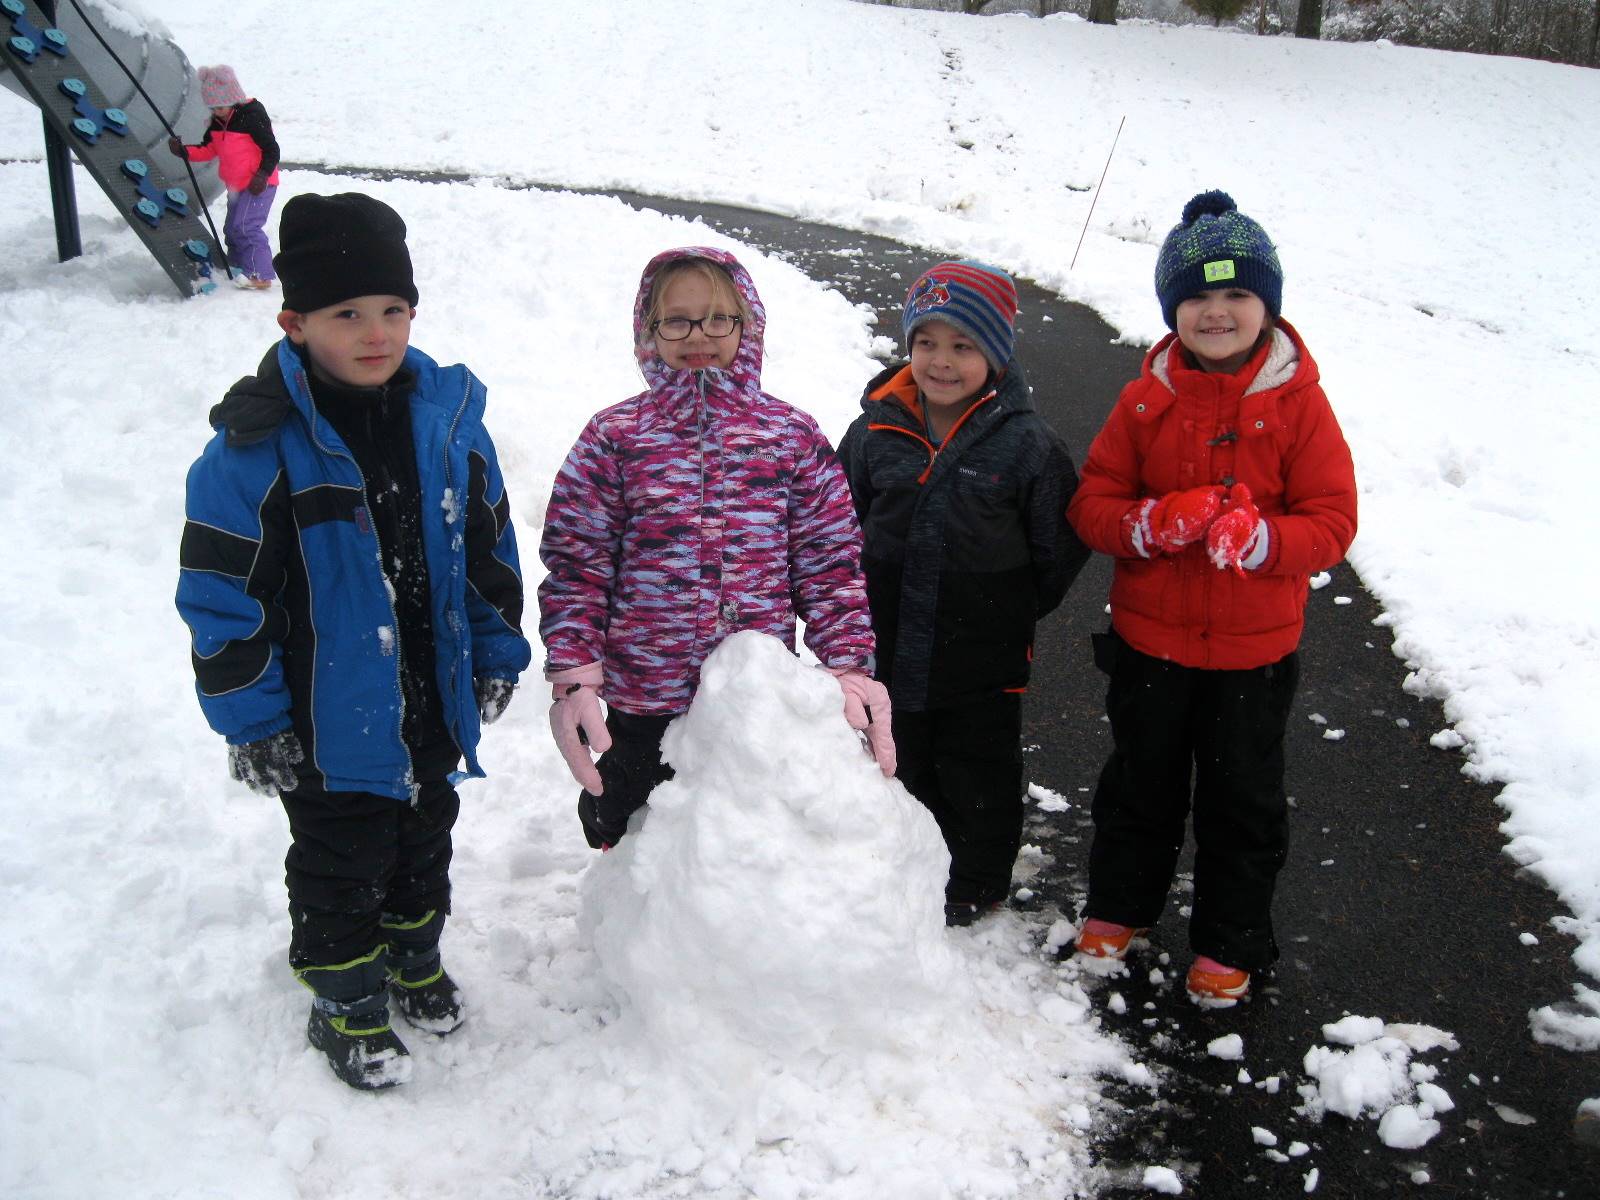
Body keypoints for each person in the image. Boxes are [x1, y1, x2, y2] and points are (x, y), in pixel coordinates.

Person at [175, 192, 531, 1089]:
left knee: (425, 836)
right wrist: (252, 722)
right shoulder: (253, 453)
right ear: (295, 322)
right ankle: (345, 995)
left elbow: (487, 551)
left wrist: (494, 653)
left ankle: (412, 957)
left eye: (392, 311)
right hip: (325, 720)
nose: (375, 334)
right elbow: (224, 600)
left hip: (430, 697)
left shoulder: (446, 425)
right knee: (341, 860)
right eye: (346, 314)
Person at [1066, 191, 1358, 1005]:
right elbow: (1093, 506)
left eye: (1236, 294)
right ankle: (1121, 907)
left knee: (1242, 802)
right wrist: (1152, 523)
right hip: (1149, 644)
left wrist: (1263, 540)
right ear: (1172, 308)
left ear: (1268, 304)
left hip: (1252, 656)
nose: (1216, 311)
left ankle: (1231, 941)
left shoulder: (1300, 405)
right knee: (1139, 787)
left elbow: (1333, 523)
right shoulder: (1144, 400)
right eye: (1196, 295)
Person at [538, 246, 893, 852]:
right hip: (642, 689)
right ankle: (627, 919)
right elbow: (578, 563)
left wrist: (848, 662)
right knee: (624, 816)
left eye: (718, 319)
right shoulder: (616, 437)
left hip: (750, 695)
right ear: (648, 331)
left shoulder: (790, 435)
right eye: (677, 320)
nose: (698, 335)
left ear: (746, 326)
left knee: (733, 837)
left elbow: (829, 562)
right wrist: (574, 669)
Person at [837, 261, 1091, 927]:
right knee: (900, 758)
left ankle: (975, 879)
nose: (941, 362)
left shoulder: (1028, 445)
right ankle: (905, 866)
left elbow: (1058, 546)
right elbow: (839, 524)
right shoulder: (874, 433)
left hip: (982, 651)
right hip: (887, 639)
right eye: (927, 342)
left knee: (978, 768)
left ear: (996, 352)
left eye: (963, 345)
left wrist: (1008, 607)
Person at [168, 65, 280, 289]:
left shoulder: (252, 117)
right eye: (212, 107)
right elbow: (209, 149)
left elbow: (272, 150)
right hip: (236, 186)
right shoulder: (217, 123)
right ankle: (238, 266)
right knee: (232, 229)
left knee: (246, 227)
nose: (217, 111)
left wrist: (262, 174)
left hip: (259, 184)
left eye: (220, 106)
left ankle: (260, 275)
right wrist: (184, 151)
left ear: (233, 99)